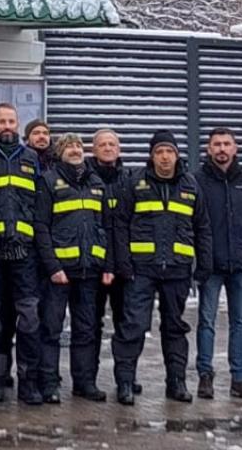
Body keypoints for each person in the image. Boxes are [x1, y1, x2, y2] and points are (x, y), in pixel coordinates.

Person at [111, 129, 205, 405]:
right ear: (151, 156)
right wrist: (124, 263)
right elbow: (120, 224)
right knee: (133, 326)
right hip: (141, 270)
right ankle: (125, 382)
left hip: (177, 269)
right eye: (159, 152)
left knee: (174, 328)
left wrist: (203, 265)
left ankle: (176, 382)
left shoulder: (190, 184)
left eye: (169, 152)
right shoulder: (135, 182)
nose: (165, 157)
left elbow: (203, 227)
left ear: (177, 155)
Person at [0, 102, 44, 403]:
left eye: (11, 121)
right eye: (1, 121)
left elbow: (40, 206)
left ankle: (28, 380)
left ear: (18, 124)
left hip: (25, 253)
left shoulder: (31, 158)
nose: (6, 127)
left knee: (29, 318)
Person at [33, 134, 111, 404]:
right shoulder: (48, 181)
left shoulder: (96, 182)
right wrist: (52, 266)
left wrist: (106, 264)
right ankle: (49, 384)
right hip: (59, 273)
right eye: (69, 147)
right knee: (51, 330)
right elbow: (41, 227)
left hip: (89, 270)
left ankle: (84, 383)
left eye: (78, 146)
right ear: (59, 153)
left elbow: (106, 226)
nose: (75, 150)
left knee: (86, 330)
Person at [192, 127, 242, 401]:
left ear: (235, 148)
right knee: (206, 321)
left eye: (226, 144)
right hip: (210, 265)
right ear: (209, 149)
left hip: (241, 265)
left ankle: (240, 377)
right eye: (217, 144)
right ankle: (205, 375)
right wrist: (200, 256)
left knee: (240, 322)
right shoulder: (197, 181)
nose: (222, 148)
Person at [89, 128, 136, 396]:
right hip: (94, 265)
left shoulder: (131, 179)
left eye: (112, 144)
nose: (108, 148)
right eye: (102, 144)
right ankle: (89, 379)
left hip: (123, 265)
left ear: (119, 150)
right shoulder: (85, 179)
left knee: (126, 324)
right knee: (91, 326)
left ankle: (126, 378)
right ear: (93, 150)